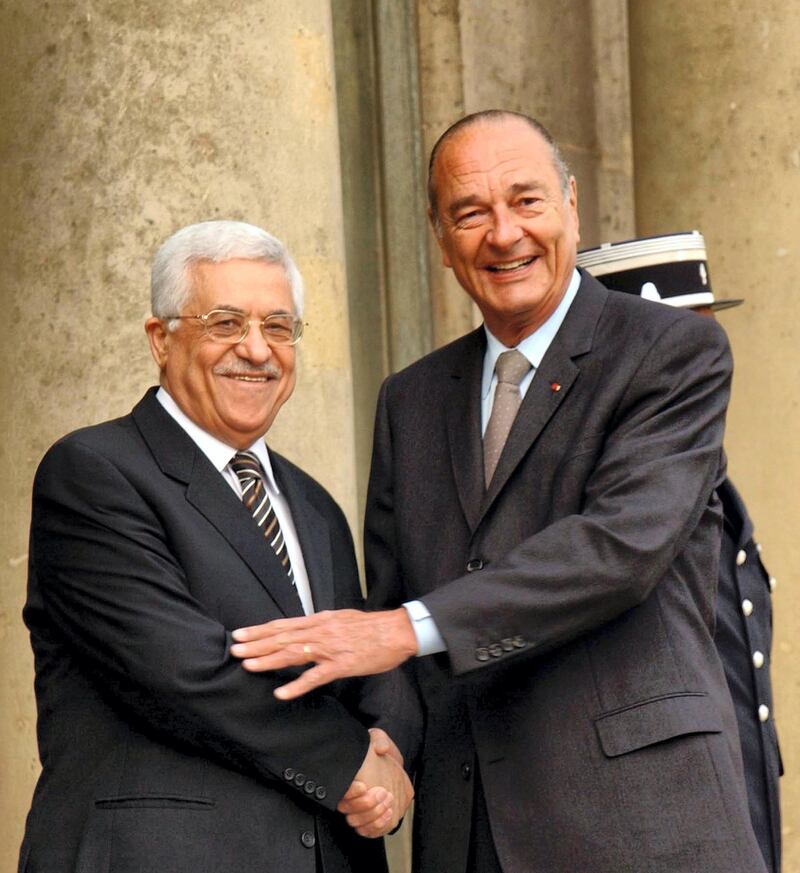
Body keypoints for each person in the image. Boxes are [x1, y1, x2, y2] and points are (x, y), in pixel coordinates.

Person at [229, 112, 767, 872]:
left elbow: (618, 549)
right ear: (441, 240)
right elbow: (393, 602)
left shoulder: (671, 350)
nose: (504, 235)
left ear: (571, 206)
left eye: (527, 202)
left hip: (643, 823)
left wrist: (403, 628)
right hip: (469, 830)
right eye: (470, 213)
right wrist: (382, 747)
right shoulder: (409, 399)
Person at [19, 220, 417, 873]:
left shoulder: (314, 505)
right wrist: (352, 764)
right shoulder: (93, 472)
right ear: (161, 338)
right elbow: (185, 672)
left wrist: (390, 747)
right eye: (226, 323)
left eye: (279, 326)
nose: (257, 350)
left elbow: (365, 657)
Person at [575, 230, 783, 873]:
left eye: (707, 335)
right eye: (679, 342)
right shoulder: (607, 500)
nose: (703, 362)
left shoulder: (706, 471)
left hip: (735, 813)